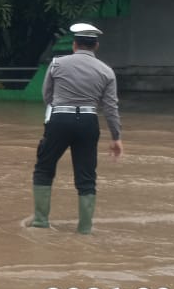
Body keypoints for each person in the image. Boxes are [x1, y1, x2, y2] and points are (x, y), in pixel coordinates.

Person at [31, 23, 123, 234]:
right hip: (89, 122)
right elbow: (110, 107)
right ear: (96, 45)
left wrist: (57, 113)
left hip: (59, 120)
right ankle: (84, 229)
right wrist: (116, 137)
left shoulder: (56, 64)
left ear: (74, 44)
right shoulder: (106, 71)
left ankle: (40, 223)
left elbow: (47, 96)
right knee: (86, 176)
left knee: (44, 168)